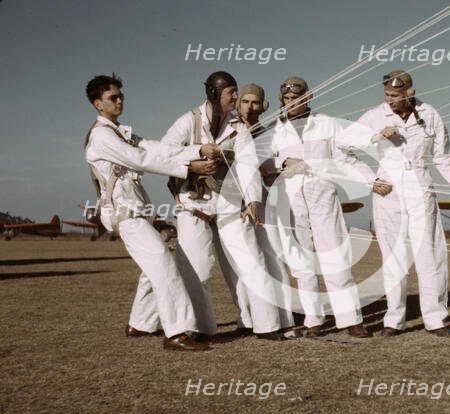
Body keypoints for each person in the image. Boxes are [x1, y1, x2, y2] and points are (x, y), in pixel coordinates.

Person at [84, 73, 216, 351]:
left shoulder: (119, 132)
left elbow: (156, 148)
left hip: (136, 211)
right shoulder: (101, 137)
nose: (120, 101)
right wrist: (189, 168)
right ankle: (177, 333)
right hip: (124, 214)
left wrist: (198, 149)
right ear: (98, 104)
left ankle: (140, 323)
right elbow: (140, 159)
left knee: (153, 265)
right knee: (163, 265)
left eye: (121, 96)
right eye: (113, 98)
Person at [161, 71, 285, 341]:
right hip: (194, 202)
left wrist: (252, 200)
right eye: (231, 93)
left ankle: (267, 326)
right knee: (198, 268)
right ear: (214, 94)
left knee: (251, 260)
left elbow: (248, 163)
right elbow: (163, 152)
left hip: (230, 201)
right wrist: (195, 157)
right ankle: (201, 329)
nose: (236, 98)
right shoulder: (187, 121)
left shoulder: (238, 127)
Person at [356, 70, 450, 338]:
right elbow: (344, 146)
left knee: (429, 255)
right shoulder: (374, 115)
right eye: (387, 95)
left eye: (396, 96)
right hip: (387, 191)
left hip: (421, 188)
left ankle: (435, 319)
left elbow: (442, 157)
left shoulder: (430, 114)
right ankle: (393, 320)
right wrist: (371, 173)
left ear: (409, 93)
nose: (390, 100)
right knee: (393, 257)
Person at [267, 76, 378, 338]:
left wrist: (371, 180)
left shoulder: (326, 123)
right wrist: (282, 164)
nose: (291, 102)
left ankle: (350, 319)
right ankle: (313, 320)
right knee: (301, 261)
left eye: (297, 97)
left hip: (323, 195)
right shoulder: (273, 130)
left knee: (335, 256)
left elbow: (345, 157)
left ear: (309, 96)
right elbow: (263, 162)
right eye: (287, 98)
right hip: (289, 198)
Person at [236, 83, 297, 335]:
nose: (250, 107)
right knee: (242, 265)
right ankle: (248, 320)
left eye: (255, 102)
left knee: (273, 258)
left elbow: (265, 165)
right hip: (232, 204)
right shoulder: (229, 130)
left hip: (261, 204)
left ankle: (284, 318)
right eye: (245, 102)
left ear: (264, 106)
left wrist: (281, 164)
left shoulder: (265, 134)